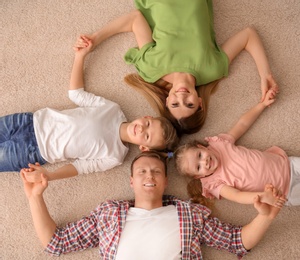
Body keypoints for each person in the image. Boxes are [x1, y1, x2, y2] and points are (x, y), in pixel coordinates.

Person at [21, 151, 285, 259]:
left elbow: (238, 241)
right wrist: (35, 197)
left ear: (166, 182)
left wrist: (265, 215)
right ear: (131, 181)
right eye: (143, 172)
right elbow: (56, 243)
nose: (149, 175)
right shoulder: (108, 213)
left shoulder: (189, 213)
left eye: (156, 172)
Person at [74, 0, 279, 135]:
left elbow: (135, 19)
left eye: (175, 104)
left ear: (167, 99)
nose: (181, 97)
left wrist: (96, 38)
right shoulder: (213, 69)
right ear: (200, 103)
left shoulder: (150, 69)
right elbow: (249, 35)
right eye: (189, 104)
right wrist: (265, 74)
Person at [0, 38, 178, 181]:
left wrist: (50, 176)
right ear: (146, 116)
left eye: (146, 136)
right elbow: (76, 94)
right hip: (30, 122)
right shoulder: (113, 109)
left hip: (34, 152)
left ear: (143, 147)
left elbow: (80, 168)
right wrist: (80, 56)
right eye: (147, 123)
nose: (141, 128)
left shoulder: (115, 156)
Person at [174, 89, 300, 206]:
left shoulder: (219, 144)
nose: (204, 162)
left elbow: (242, 124)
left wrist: (261, 105)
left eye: (200, 155)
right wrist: (262, 197)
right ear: (198, 177)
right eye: (198, 167)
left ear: (201, 146)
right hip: (284, 192)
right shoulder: (214, 183)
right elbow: (238, 196)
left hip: (288, 164)